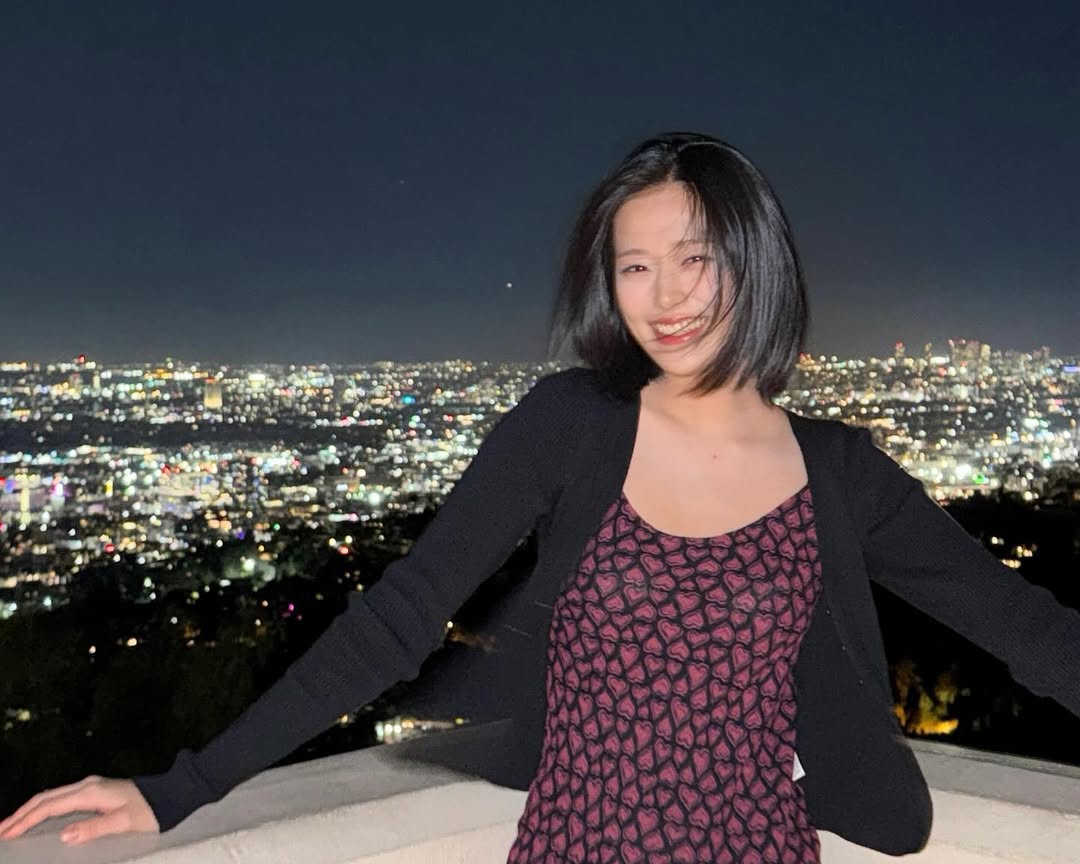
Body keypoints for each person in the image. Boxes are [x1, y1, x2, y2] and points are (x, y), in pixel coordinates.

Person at [2, 132, 1078, 862]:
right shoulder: (572, 426)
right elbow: (395, 623)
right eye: (634, 267)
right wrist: (181, 787)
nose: (664, 297)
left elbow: (1023, 628)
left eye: (695, 259)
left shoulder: (835, 472)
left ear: (754, 262)